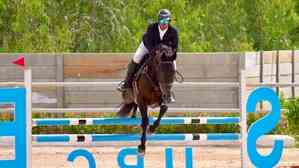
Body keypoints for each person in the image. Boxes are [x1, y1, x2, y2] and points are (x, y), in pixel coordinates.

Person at [117, 9, 178, 102]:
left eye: (166, 21)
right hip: (148, 47)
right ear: (158, 20)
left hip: (165, 52)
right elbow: (148, 42)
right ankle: (127, 82)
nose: (164, 23)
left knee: (173, 66)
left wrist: (170, 55)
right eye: (162, 21)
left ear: (169, 21)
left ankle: (168, 92)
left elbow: (174, 47)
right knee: (136, 58)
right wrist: (153, 52)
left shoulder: (173, 32)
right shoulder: (151, 28)